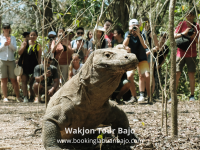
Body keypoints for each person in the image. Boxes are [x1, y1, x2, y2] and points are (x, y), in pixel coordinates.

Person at [169, 10, 200, 103]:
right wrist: (184, 33)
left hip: (192, 53)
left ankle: (192, 96)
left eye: (191, 16)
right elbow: (173, 36)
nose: (189, 17)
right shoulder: (181, 24)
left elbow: (198, 42)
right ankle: (172, 96)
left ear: (194, 16)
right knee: (177, 73)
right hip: (180, 53)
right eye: (188, 15)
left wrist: (193, 36)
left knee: (191, 74)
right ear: (185, 16)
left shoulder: (197, 26)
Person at [123, 19, 150, 103]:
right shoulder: (127, 34)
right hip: (131, 58)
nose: (134, 28)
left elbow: (145, 46)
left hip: (142, 57)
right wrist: (129, 35)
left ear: (138, 26)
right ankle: (134, 96)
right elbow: (124, 45)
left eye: (136, 26)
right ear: (129, 27)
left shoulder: (142, 34)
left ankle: (143, 95)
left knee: (144, 75)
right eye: (132, 26)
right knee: (129, 76)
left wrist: (138, 34)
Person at [18, 30, 42, 102]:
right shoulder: (25, 43)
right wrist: (23, 46)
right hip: (25, 64)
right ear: (29, 36)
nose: (32, 36)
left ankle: (32, 96)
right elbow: (19, 53)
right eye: (31, 35)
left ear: (37, 36)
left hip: (34, 66)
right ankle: (25, 97)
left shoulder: (38, 45)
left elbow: (39, 57)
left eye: (34, 35)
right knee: (24, 81)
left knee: (32, 82)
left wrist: (39, 66)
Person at [0, 23, 21, 102]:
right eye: (4, 27)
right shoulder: (0, 38)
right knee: (3, 79)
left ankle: (18, 97)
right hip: (2, 60)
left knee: (14, 79)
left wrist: (10, 44)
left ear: (9, 29)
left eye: (7, 27)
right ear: (2, 29)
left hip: (11, 60)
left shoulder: (13, 38)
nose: (6, 29)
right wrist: (4, 45)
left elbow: (15, 49)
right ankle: (5, 97)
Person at [142, 17, 159, 95]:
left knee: (149, 75)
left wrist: (149, 52)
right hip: (141, 56)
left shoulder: (151, 33)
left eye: (145, 23)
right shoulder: (141, 32)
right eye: (142, 23)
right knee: (143, 75)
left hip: (149, 56)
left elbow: (157, 47)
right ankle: (145, 93)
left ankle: (151, 94)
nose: (144, 25)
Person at [154, 32, 169, 99]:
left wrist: (159, 66)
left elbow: (164, 58)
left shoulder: (167, 48)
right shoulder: (155, 46)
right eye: (163, 37)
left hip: (158, 66)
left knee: (157, 80)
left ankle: (156, 95)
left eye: (166, 38)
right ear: (160, 37)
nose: (164, 39)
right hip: (151, 65)